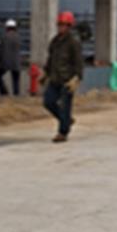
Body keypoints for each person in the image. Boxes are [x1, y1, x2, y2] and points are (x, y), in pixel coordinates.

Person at [42, 11, 83, 143]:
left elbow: (78, 61)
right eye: (60, 25)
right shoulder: (55, 41)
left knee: (65, 106)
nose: (61, 27)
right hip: (55, 79)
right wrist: (45, 74)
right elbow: (50, 59)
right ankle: (66, 120)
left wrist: (77, 78)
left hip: (67, 80)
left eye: (64, 25)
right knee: (48, 102)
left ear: (69, 26)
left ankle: (62, 132)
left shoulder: (73, 42)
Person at [0, 18, 22, 96]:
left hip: (5, 62)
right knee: (15, 80)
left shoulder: (3, 36)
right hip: (16, 63)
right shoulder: (18, 37)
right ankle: (16, 96)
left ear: (6, 27)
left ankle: (4, 93)